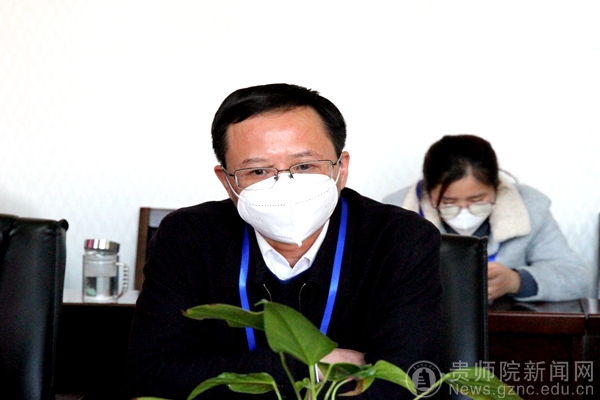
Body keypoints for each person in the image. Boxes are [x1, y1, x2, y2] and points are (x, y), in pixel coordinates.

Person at [127, 83, 442, 399]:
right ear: (227, 182)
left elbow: (407, 384)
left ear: (341, 169)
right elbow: (151, 376)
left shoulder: (400, 240)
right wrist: (306, 368)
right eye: (258, 171)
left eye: (304, 166)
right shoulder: (187, 238)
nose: (284, 184)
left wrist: (229, 375)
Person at [383, 134, 592, 302]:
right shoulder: (396, 213)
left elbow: (577, 277)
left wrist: (517, 281)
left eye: (477, 200)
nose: (464, 211)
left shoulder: (530, 207)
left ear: (497, 187)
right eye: (448, 202)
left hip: (507, 327)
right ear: (428, 192)